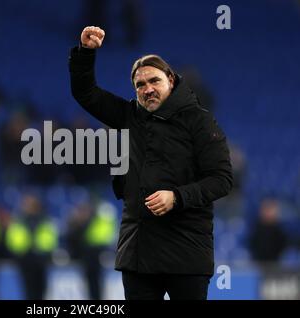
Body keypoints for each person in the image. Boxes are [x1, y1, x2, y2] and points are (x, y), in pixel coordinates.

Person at [69, 26, 233, 300]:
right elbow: (86, 94)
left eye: (154, 81)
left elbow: (222, 179)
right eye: (140, 85)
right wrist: (86, 53)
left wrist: (177, 197)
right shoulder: (128, 116)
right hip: (138, 252)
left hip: (187, 251)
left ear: (170, 79)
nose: (148, 90)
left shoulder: (199, 121)